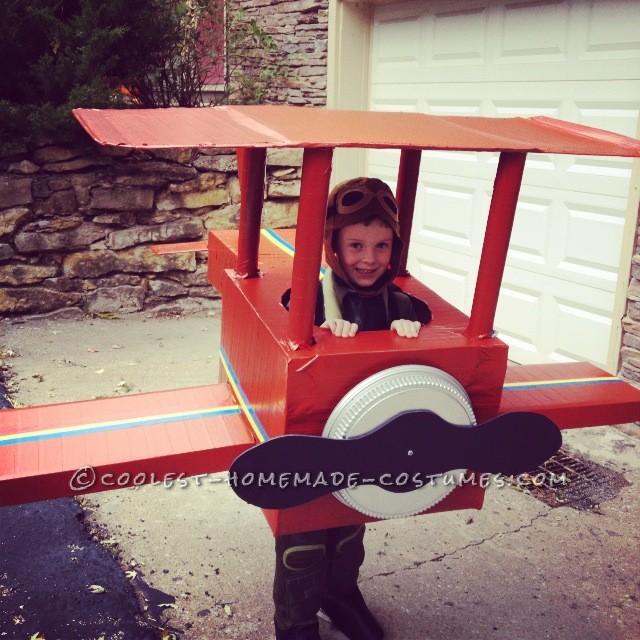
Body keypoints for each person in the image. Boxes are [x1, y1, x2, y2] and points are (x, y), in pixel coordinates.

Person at [275, 177, 432, 640]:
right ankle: (296, 622)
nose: (369, 258)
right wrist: (319, 325)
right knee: (303, 534)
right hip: (310, 435)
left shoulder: (397, 299)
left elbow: (426, 316)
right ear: (334, 247)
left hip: (365, 435)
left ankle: (339, 593)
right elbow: (286, 317)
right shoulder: (311, 298)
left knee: (349, 521)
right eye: (356, 244)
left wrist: (408, 323)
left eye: (382, 246)